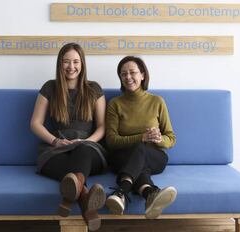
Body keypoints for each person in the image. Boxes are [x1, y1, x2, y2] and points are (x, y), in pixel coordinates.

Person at [30, 43, 107, 231]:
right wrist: (55, 141)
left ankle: (68, 198)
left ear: (82, 64)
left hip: (89, 149)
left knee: (82, 151)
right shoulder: (49, 87)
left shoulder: (94, 89)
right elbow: (35, 123)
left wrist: (87, 141)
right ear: (60, 64)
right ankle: (86, 201)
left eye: (75, 61)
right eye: (66, 62)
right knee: (65, 167)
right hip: (58, 148)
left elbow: (103, 127)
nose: (71, 67)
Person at [105, 56, 177, 219]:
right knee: (139, 155)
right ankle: (149, 193)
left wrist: (158, 140)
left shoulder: (157, 101)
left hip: (154, 157)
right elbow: (111, 141)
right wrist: (142, 137)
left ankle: (121, 191)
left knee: (141, 150)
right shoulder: (115, 104)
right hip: (121, 157)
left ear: (143, 75)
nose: (128, 77)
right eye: (123, 74)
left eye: (132, 72)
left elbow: (171, 138)